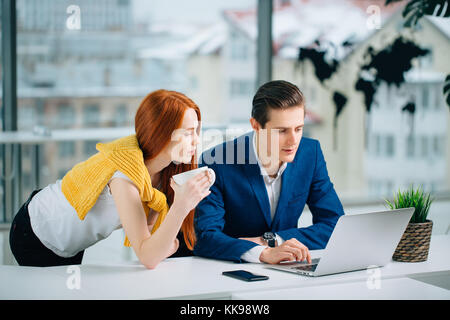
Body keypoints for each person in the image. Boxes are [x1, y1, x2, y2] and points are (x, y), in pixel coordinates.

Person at [9, 89, 213, 268]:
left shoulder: (160, 174)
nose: (196, 140)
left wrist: (164, 244)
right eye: (187, 133)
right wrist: (181, 206)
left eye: (196, 131)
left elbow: (149, 242)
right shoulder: (124, 177)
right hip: (37, 231)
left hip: (69, 244)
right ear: (160, 134)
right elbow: (148, 257)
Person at [194, 80, 345, 264]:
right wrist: (261, 253)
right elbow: (205, 237)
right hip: (232, 270)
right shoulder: (217, 160)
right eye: (281, 131)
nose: (293, 141)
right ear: (256, 126)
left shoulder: (310, 153)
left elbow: (337, 226)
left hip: (289, 268)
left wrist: (271, 241)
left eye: (299, 129)